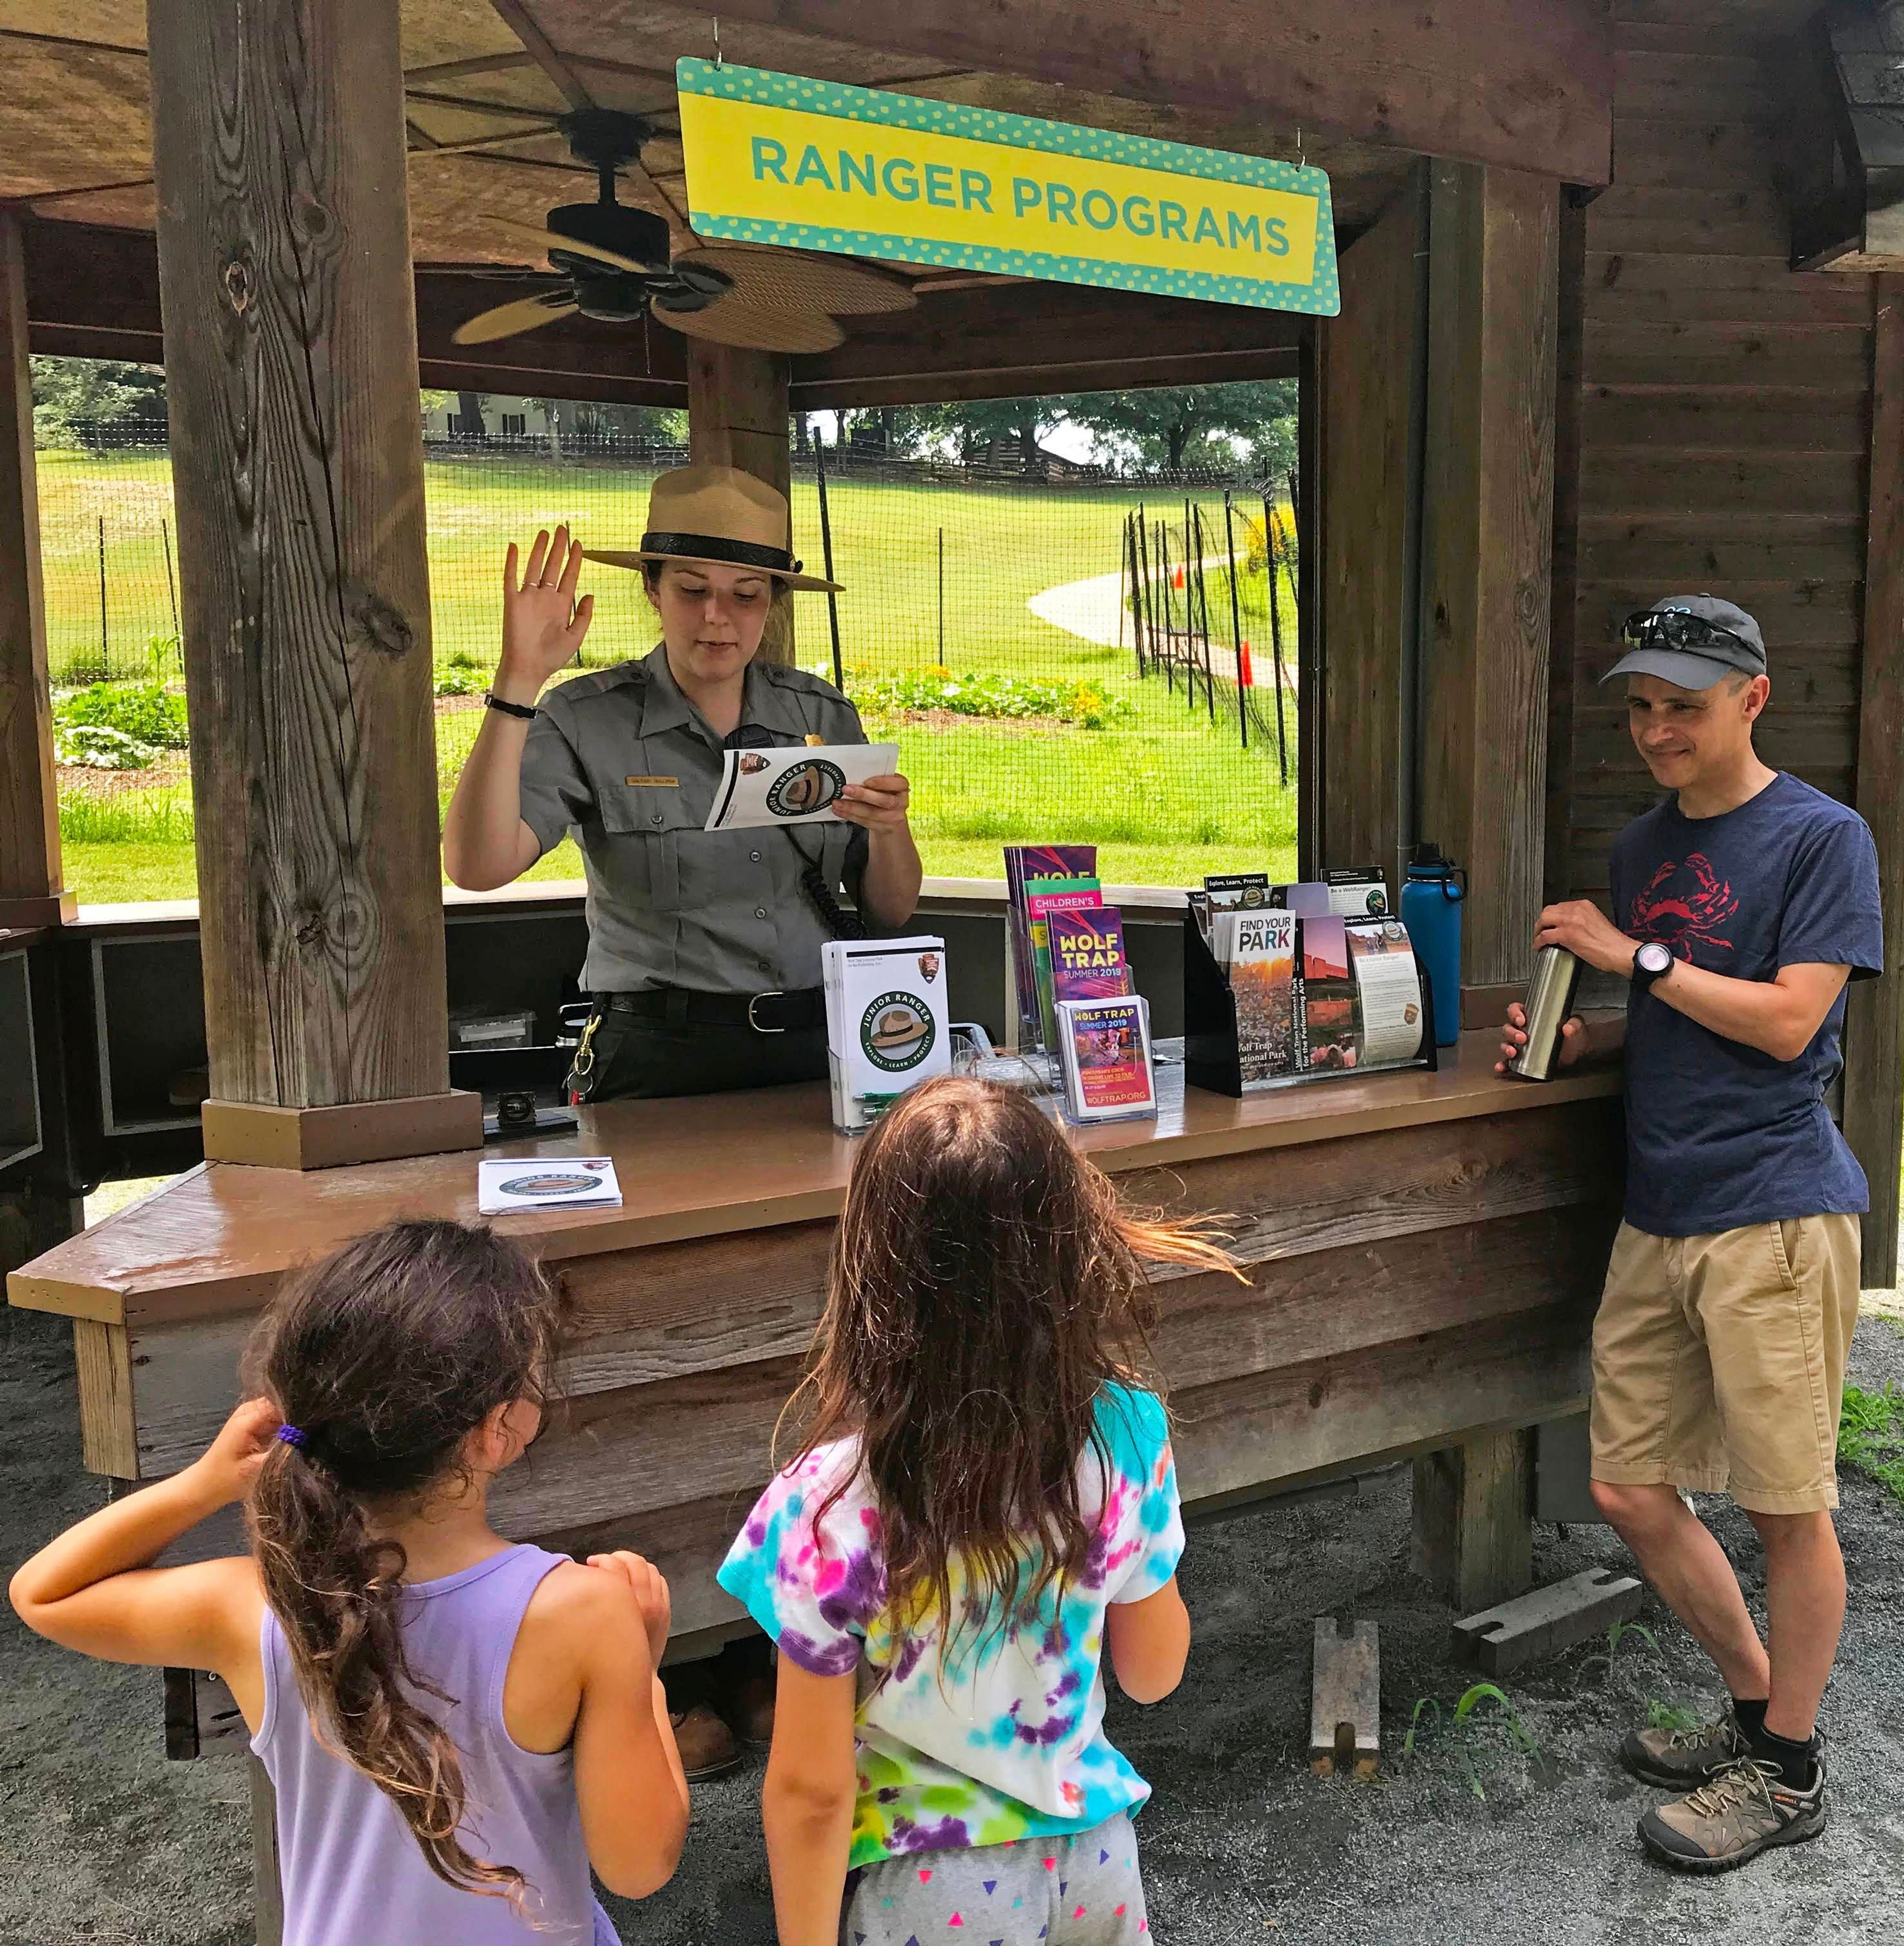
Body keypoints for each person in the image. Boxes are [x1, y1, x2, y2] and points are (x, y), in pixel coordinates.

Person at [9, 1219, 690, 1942]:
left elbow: (45, 1592)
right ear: (498, 1429)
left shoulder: (259, 1605)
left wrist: (201, 1484)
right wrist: (642, 1672)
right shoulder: (584, 1611)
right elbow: (640, 1865)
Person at [1498, 595, 1882, 1875]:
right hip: (1655, 1213)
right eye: (1641, 704)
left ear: (1751, 698)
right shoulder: (1643, 844)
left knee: (1785, 1506)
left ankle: (1786, 1771)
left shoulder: (1822, 839)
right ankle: (1756, 1712)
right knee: (1624, 1483)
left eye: (1684, 703)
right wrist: (1581, 1036)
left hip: (1772, 1210)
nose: (1656, 726)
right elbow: (1674, 1020)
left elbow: (1784, 1024)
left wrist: (1633, 957)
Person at [719, 1076, 1241, 1945]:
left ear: (875, 1273)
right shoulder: (1125, 1436)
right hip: (1097, 1859)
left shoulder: (825, 1510)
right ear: (1068, 1253)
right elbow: (1155, 1672)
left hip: (936, 1883)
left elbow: (811, 1791)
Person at [441, 463, 923, 1105]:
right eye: (693, 589)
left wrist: (890, 829)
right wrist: (518, 682)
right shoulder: (588, 718)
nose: (717, 617)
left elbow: (891, 910)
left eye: (745, 594)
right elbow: (475, 867)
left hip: (820, 1048)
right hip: (655, 1059)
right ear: (653, 588)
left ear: (773, 600)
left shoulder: (822, 715)